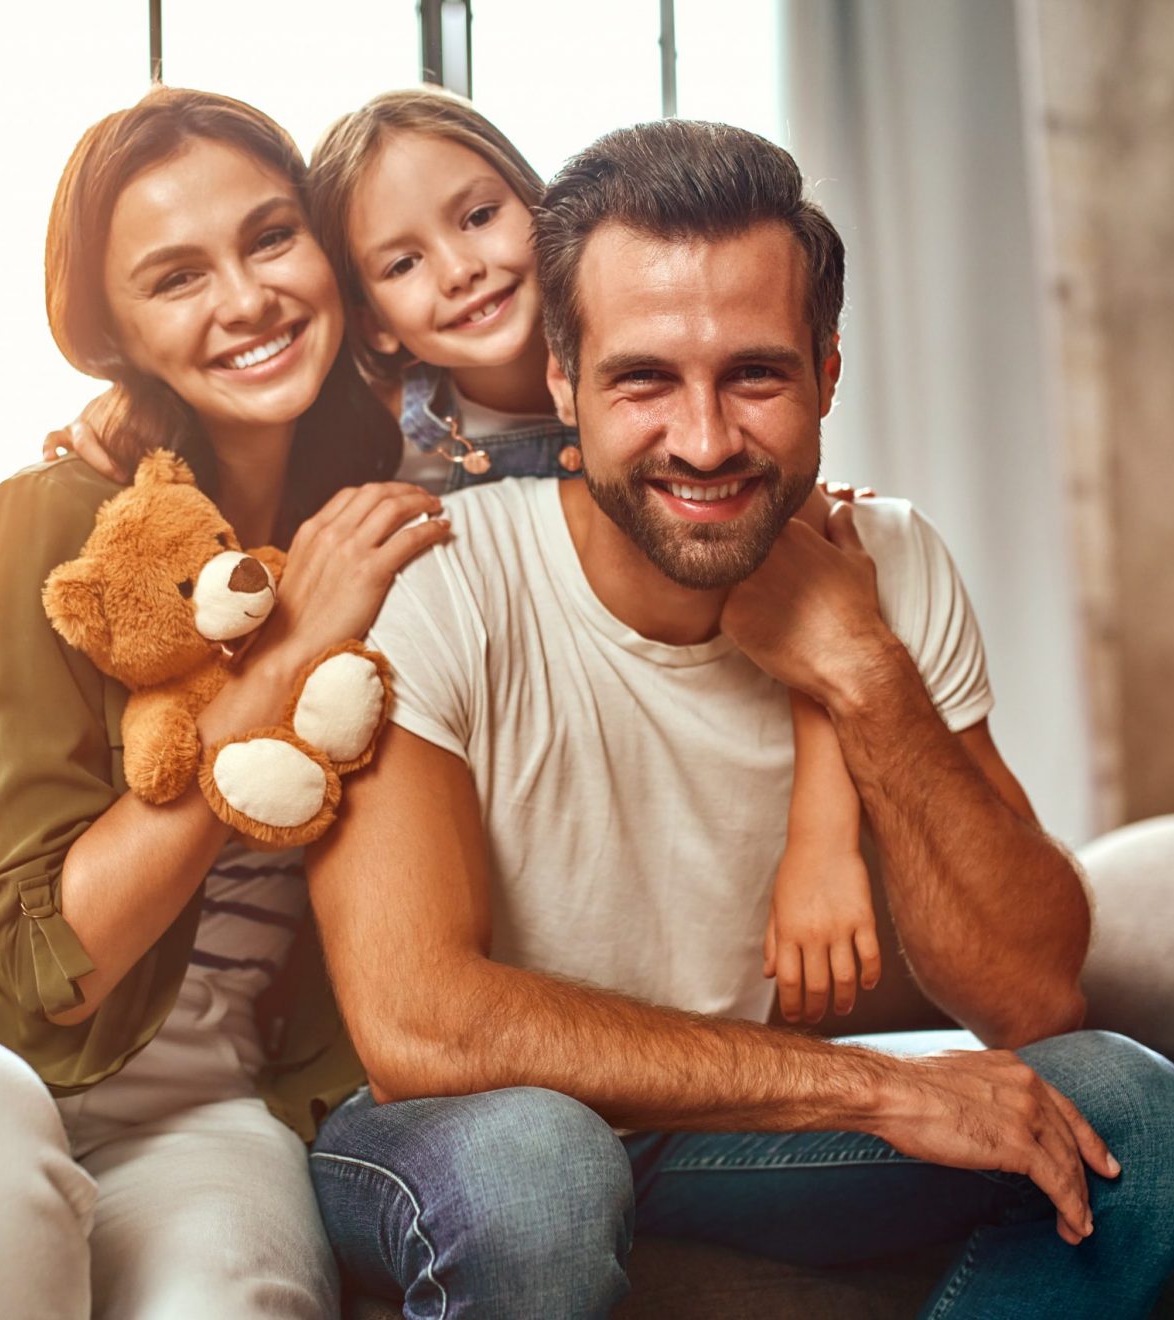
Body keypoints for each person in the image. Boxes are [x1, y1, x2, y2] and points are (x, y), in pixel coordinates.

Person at [303, 118, 1174, 1319]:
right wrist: (874, 1091)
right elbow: (417, 1020)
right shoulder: (432, 575)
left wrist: (861, 670)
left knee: (1128, 1110)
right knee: (541, 1167)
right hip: (470, 1132)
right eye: (644, 379)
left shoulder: (884, 559)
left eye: (756, 374)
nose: (705, 440)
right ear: (563, 382)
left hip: (722, 1134)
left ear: (828, 369)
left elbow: (1031, 993)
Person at [0, 86, 449, 1319]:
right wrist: (278, 666)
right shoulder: (55, 524)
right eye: (174, 278)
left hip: (202, 1118)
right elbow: (63, 956)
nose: (247, 298)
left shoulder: (381, 517)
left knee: (241, 1296)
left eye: (271, 237)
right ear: (113, 333)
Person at [60, 85, 886, 1024]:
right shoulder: (385, 449)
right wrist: (131, 407)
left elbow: (813, 622)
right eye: (403, 261)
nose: (459, 269)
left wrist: (824, 842)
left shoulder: (685, 428)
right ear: (372, 316)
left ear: (548, 220)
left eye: (482, 216)